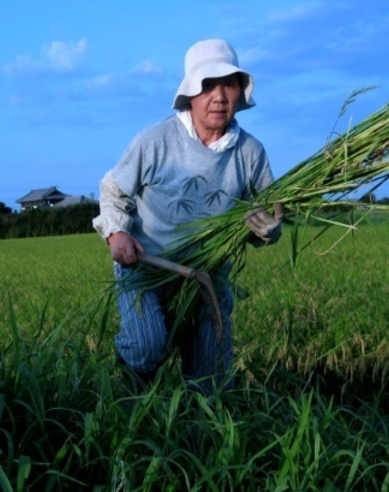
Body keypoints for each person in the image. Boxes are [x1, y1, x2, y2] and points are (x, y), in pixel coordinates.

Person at [92, 38, 283, 392]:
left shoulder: (251, 153)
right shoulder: (155, 141)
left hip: (207, 275)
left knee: (210, 375)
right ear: (191, 94)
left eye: (228, 84)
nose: (219, 96)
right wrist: (116, 234)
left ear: (240, 92)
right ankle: (133, 406)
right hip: (148, 264)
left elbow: (269, 212)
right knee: (146, 347)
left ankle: (199, 435)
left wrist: (269, 231)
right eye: (207, 85)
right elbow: (113, 190)